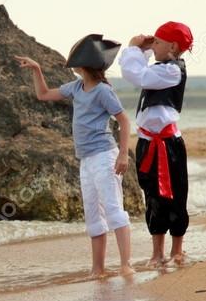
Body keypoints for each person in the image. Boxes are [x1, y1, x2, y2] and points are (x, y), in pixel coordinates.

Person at [15, 34, 133, 279]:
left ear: (86, 64)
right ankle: (97, 269)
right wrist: (36, 69)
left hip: (104, 155)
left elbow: (123, 120)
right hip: (87, 160)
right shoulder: (76, 88)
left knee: (113, 209)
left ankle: (125, 265)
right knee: (93, 213)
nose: (73, 65)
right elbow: (44, 94)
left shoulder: (102, 91)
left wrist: (123, 155)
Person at [119, 21, 193, 267]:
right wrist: (147, 48)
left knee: (176, 194)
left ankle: (177, 250)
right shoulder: (161, 67)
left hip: (169, 144)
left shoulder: (172, 71)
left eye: (159, 42)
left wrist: (132, 48)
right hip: (148, 142)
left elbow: (137, 74)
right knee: (152, 196)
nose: (154, 45)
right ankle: (157, 252)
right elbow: (143, 70)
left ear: (173, 46)